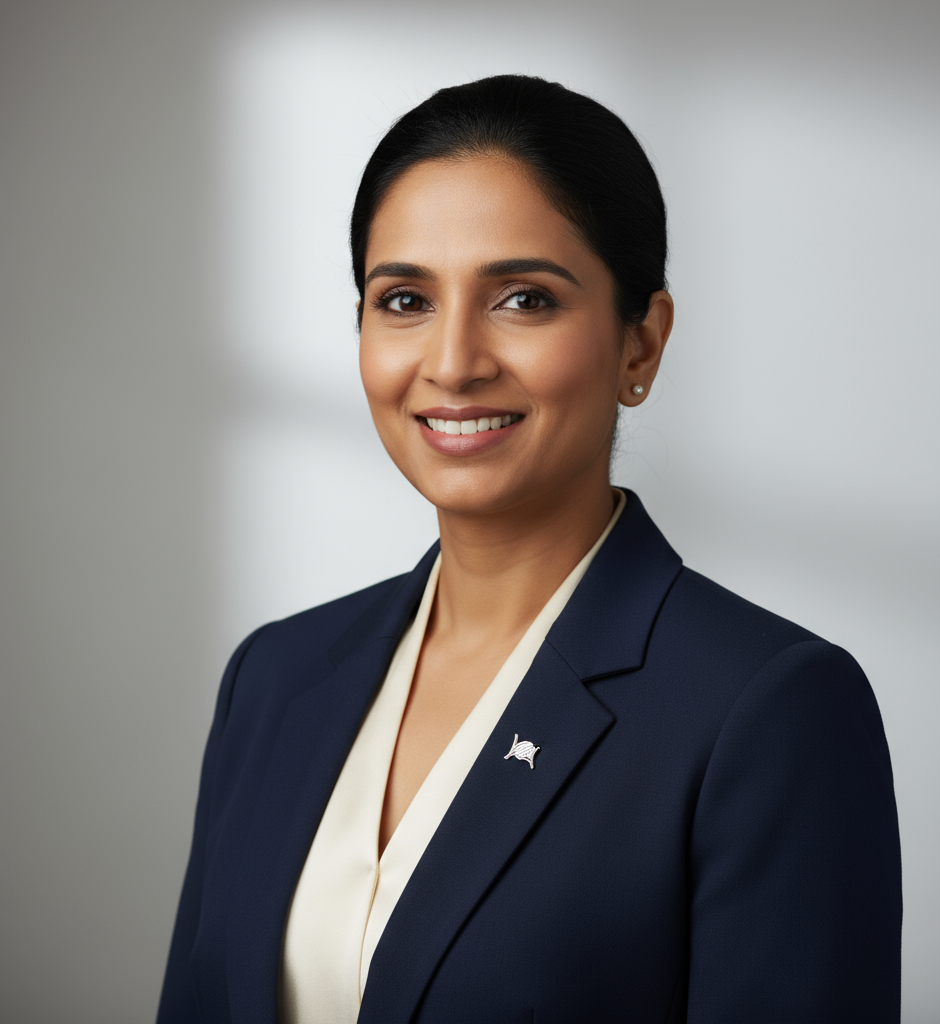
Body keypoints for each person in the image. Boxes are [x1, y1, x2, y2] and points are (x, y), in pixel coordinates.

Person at [157, 75, 901, 1024]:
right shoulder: (274, 677)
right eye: (403, 300)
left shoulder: (766, 709)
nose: (455, 360)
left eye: (522, 298)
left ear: (641, 345)